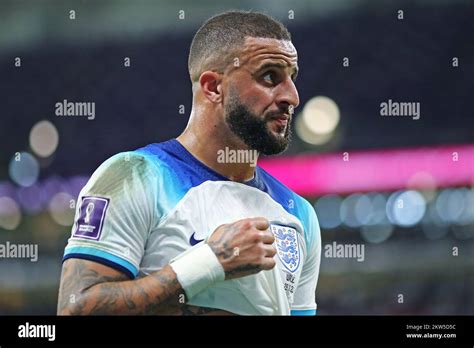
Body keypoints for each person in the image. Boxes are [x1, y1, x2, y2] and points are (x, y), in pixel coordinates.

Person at [57, 10, 321, 315]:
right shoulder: (134, 177)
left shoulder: (298, 214)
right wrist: (208, 263)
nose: (292, 96)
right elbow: (74, 309)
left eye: (292, 78)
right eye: (269, 76)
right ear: (213, 87)